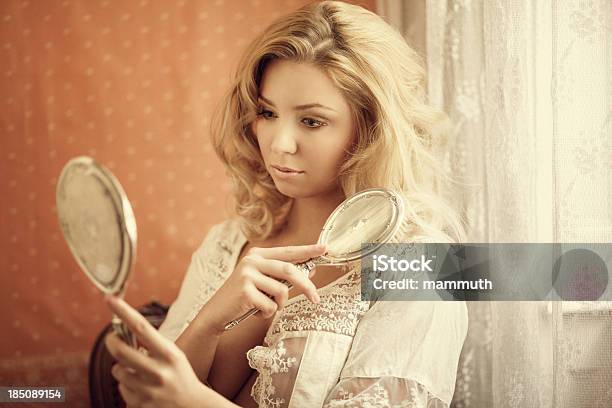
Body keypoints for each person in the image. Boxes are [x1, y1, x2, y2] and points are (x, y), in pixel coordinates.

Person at [105, 1, 469, 407]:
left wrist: (196, 402)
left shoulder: (424, 266)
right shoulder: (227, 244)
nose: (279, 144)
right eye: (267, 112)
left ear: (372, 129)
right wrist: (209, 321)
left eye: (311, 121)